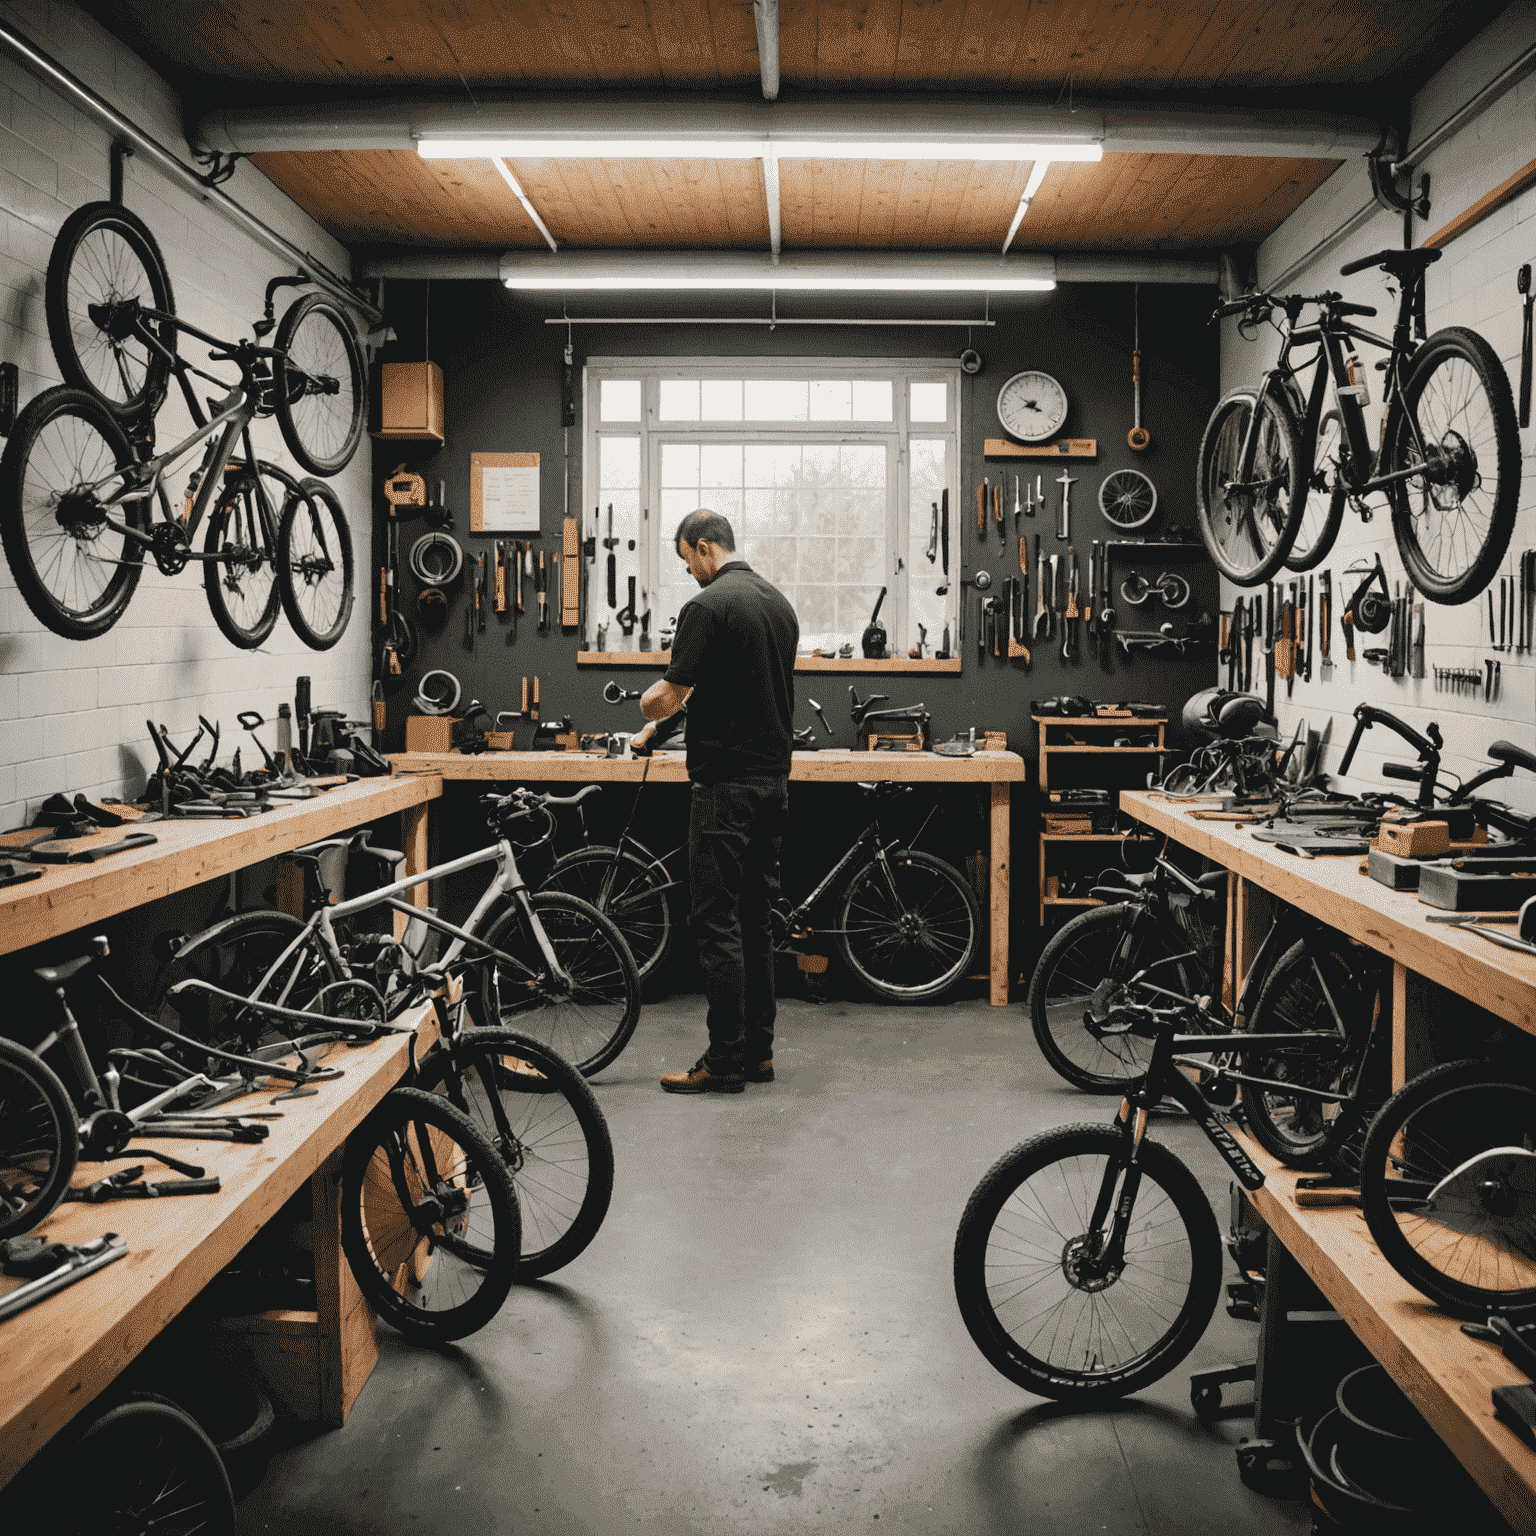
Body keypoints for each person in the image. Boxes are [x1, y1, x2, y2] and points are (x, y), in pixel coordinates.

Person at [633, 510, 799, 1095]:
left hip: (723, 788)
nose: (689, 574)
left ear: (705, 548)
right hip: (773, 784)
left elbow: (671, 694)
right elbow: (731, 690)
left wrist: (643, 715)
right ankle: (758, 1054)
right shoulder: (778, 604)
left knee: (716, 922)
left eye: (687, 561)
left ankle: (724, 1060)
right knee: (755, 920)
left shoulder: (706, 607)